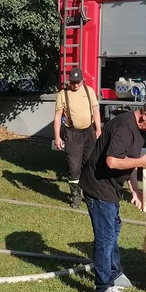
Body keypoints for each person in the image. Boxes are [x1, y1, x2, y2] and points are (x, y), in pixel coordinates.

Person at [79, 97, 146, 292]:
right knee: (105, 237)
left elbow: (128, 161)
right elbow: (112, 162)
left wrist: (135, 191)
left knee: (114, 229)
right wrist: (142, 162)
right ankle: (104, 289)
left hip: (111, 188)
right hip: (98, 186)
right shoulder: (124, 127)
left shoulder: (140, 129)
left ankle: (115, 274)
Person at [53, 67, 102, 208]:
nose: (75, 85)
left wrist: (98, 129)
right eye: (73, 82)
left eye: (78, 82)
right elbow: (57, 116)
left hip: (88, 133)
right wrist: (57, 136)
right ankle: (75, 196)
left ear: (82, 81)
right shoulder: (63, 94)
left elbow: (95, 110)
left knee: (89, 165)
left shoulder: (89, 91)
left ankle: (88, 193)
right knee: (74, 167)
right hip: (72, 134)